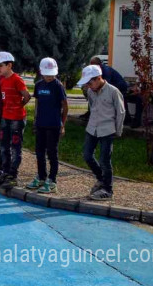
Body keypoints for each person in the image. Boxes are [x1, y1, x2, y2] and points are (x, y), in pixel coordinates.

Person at [78, 64, 125, 201]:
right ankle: (101, 179)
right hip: (92, 128)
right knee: (87, 155)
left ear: (98, 78)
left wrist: (118, 131)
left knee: (105, 160)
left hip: (107, 129)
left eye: (90, 82)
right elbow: (92, 107)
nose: (88, 86)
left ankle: (108, 190)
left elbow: (120, 112)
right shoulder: (91, 92)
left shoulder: (113, 91)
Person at [27, 57, 69, 194]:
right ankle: (41, 176)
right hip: (41, 123)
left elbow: (65, 105)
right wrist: (35, 119)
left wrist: (62, 124)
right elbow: (38, 103)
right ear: (41, 72)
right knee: (39, 152)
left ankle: (52, 180)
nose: (49, 77)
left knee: (52, 153)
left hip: (54, 124)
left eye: (52, 74)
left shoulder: (58, 86)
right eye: (47, 74)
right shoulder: (39, 85)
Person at [0, 52, 30, 188]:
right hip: (5, 117)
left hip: (16, 119)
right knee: (3, 146)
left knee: (15, 147)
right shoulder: (2, 81)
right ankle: (5, 172)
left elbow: (26, 96)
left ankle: (13, 174)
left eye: (1, 66)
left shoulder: (17, 80)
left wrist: (18, 106)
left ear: (9, 65)